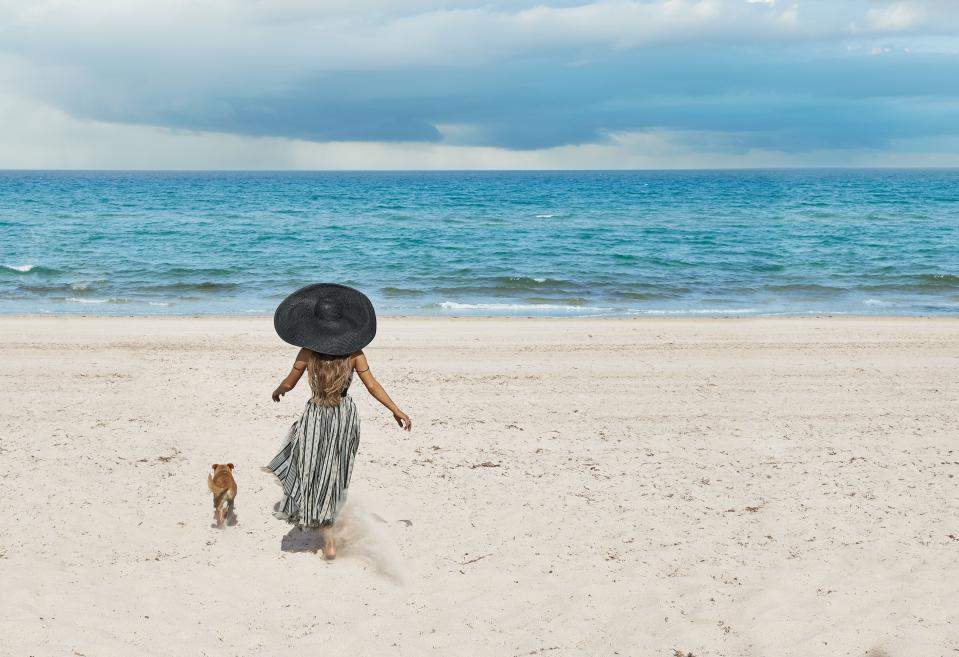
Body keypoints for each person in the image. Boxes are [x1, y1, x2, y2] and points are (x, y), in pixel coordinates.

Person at [263, 283, 411, 560]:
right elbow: (372, 386)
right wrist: (396, 409)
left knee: (309, 469)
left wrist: (279, 390)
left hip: (316, 414)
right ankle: (329, 537)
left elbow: (290, 382)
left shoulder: (307, 352)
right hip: (344, 416)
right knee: (334, 476)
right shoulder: (355, 354)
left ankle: (323, 530)